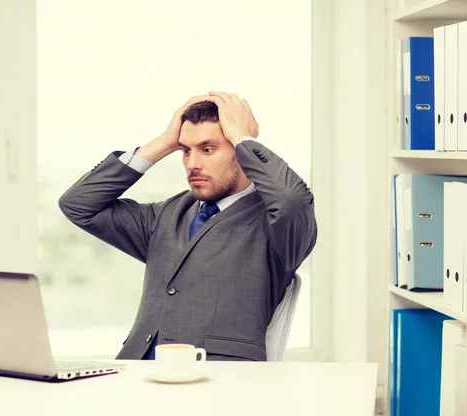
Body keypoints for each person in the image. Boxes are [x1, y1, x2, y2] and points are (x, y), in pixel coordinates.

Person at [59, 91, 317, 361]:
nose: (192, 164)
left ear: (241, 154)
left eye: (207, 149)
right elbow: (78, 204)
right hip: (136, 379)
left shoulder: (277, 226)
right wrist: (162, 144)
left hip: (221, 385)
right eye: (185, 151)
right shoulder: (167, 215)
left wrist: (244, 139)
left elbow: (292, 200)